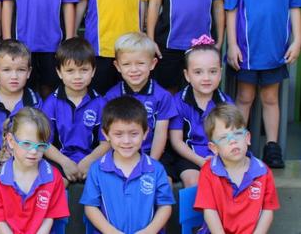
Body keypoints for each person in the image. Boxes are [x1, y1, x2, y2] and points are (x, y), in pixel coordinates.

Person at [225, 0, 301, 169]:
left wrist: (297, 40)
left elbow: (295, 9)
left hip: (274, 51)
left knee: (270, 99)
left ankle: (272, 146)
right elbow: (231, 11)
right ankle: (239, 146)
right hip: (246, 51)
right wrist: (232, 44)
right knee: (244, 98)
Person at [0, 39, 41, 234]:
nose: (14, 76)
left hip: (28, 154)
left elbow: (40, 139)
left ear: (28, 72)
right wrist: (0, 157)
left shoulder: (34, 101)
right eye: (6, 70)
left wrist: (21, 156)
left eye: (20, 70)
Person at [81, 96, 174, 233]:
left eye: (134, 134)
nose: (126, 141)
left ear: (145, 133)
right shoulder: (97, 169)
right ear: (106, 134)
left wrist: (149, 231)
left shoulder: (155, 169)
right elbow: (90, 207)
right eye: (118, 134)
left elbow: (165, 205)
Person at [194, 104, 279, 233]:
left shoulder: (263, 171)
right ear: (214, 148)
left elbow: (268, 211)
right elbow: (209, 211)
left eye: (237, 134)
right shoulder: (208, 171)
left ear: (247, 138)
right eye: (223, 138)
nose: (232, 141)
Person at [0, 107, 69, 234]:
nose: (34, 151)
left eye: (40, 145)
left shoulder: (54, 177)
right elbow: (0, 222)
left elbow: (48, 218)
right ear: (11, 141)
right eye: (27, 144)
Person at [166, 35, 232, 187]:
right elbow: (176, 141)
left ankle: (224, 211)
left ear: (220, 73)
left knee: (229, 178)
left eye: (213, 71)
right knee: (194, 182)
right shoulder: (178, 101)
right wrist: (201, 162)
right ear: (187, 75)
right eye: (198, 72)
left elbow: (231, 136)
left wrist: (220, 158)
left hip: (220, 155)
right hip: (189, 156)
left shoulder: (226, 102)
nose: (206, 78)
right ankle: (197, 212)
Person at [42, 37, 110, 184]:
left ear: (93, 71)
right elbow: (44, 143)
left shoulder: (101, 104)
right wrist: (65, 163)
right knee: (56, 184)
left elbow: (107, 142)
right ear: (59, 72)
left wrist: (89, 161)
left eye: (84, 70)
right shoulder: (51, 104)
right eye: (70, 71)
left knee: (103, 183)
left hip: (93, 161)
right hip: (60, 160)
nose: (77, 77)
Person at [105, 32, 176, 160]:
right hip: (121, 154)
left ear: (152, 64)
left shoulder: (163, 96)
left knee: (166, 180)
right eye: (126, 64)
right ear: (117, 66)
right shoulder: (111, 97)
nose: (134, 70)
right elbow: (109, 135)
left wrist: (151, 163)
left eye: (140, 63)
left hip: (154, 154)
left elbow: (160, 134)